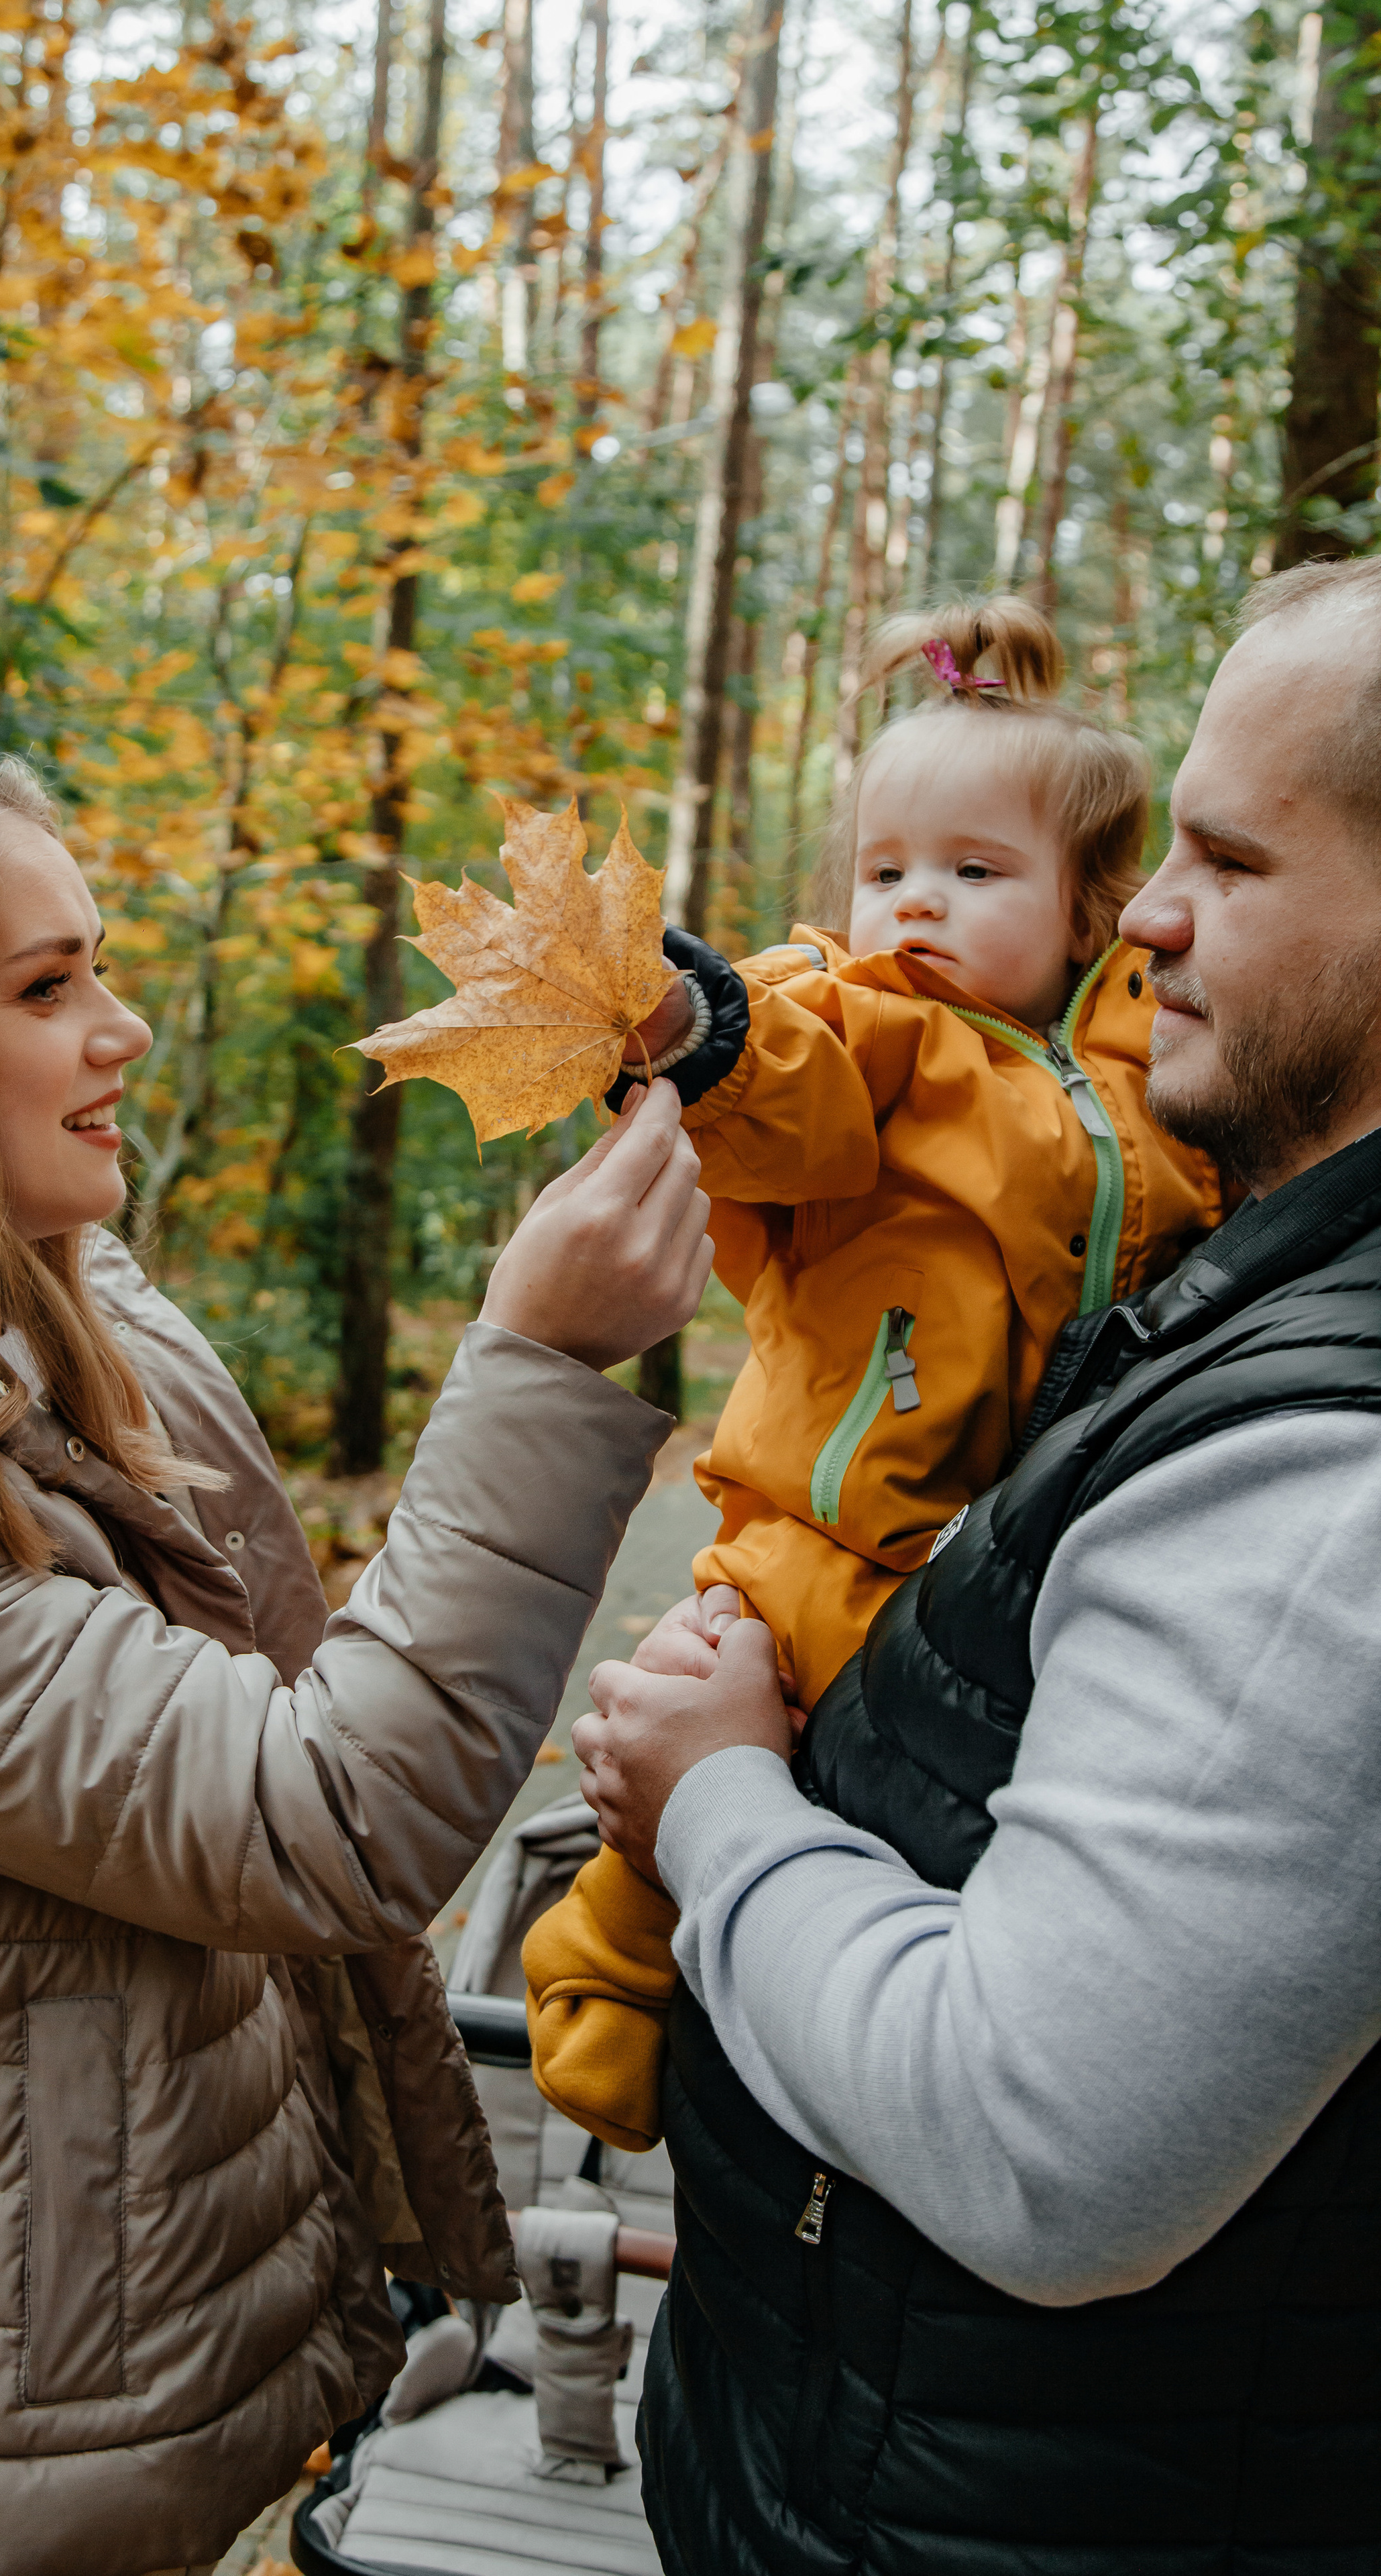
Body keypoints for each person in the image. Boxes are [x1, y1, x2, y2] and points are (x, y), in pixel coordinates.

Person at [0, 737, 713, 2576]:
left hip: (62, 2372)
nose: (124, 1030)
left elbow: (251, 1638)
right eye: (50, 988)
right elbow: (323, 1810)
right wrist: (537, 1364)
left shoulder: (26, 1306)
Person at [572, 555, 1381, 2573]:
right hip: (903, 2466)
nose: (1158, 918)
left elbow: (1047, 2148)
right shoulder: (1233, 1223)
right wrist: (698, 1016)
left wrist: (722, 1806)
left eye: (1225, 860)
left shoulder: (1326, 1477)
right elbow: (791, 1078)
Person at [523, 597, 1221, 2156]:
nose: (914, 905)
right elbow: (784, 1098)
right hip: (820, 1528)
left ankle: (860, 2029)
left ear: (1088, 909)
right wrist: (696, 1027)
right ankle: (605, 1974)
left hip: (1022, 1540)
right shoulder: (868, 1037)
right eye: (885, 868)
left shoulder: (1142, 1087)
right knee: (718, 1724)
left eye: (974, 875)